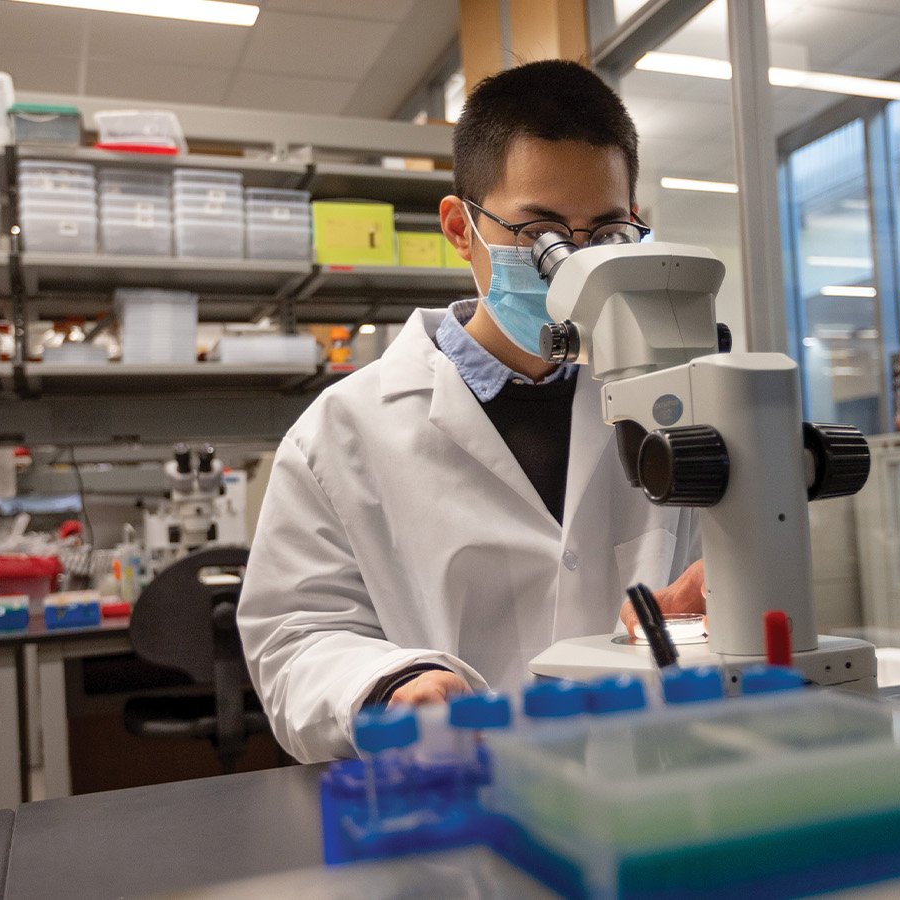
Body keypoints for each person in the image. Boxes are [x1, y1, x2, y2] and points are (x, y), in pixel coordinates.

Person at [238, 59, 705, 762]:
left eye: (605, 233)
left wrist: (708, 611)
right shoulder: (341, 434)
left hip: (644, 788)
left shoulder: (673, 403)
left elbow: (711, 597)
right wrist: (391, 684)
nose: (574, 267)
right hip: (456, 799)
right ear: (461, 229)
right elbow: (294, 638)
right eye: (541, 236)